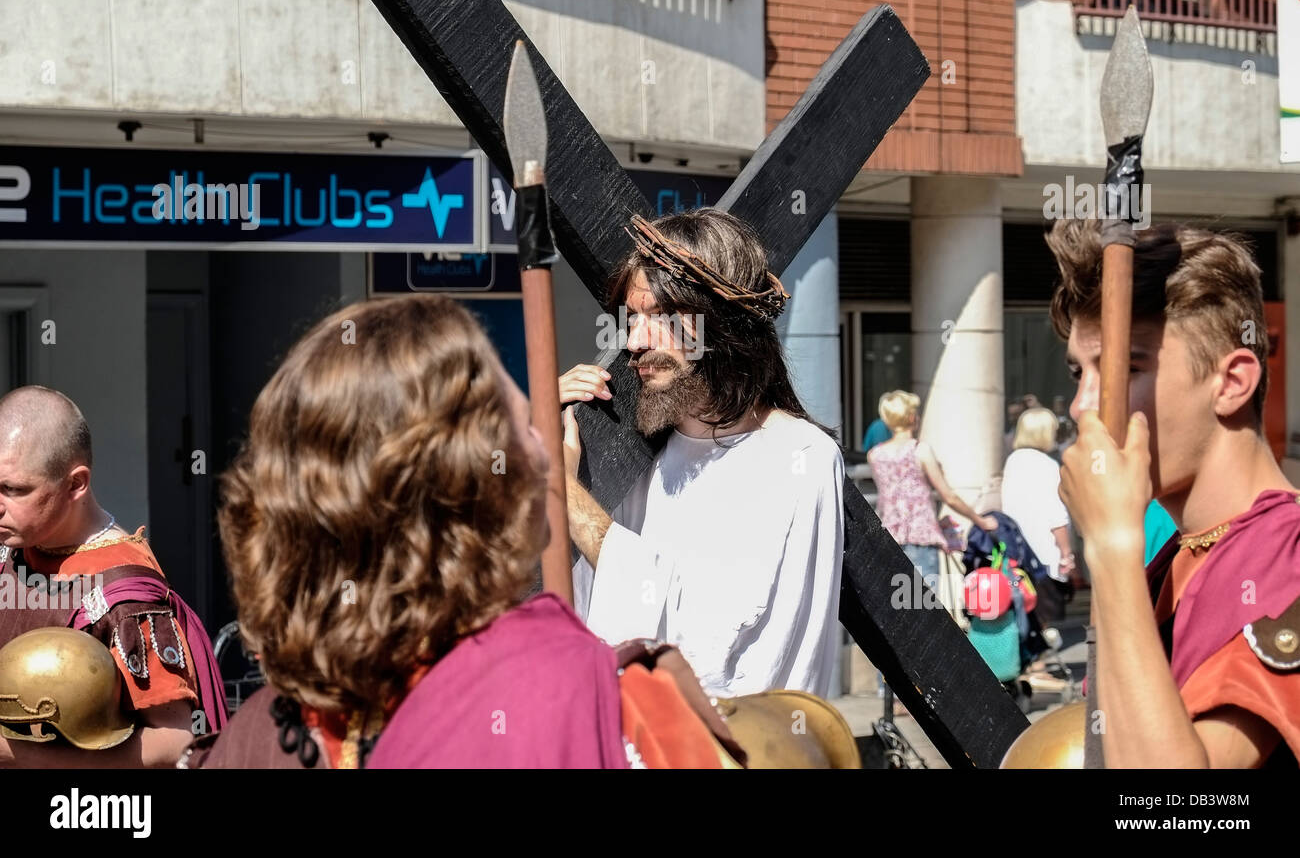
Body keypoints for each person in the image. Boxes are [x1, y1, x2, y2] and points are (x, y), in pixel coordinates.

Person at [185, 294, 631, 769]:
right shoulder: (606, 706)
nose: (545, 450)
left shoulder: (251, 739)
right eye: (522, 424)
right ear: (456, 489)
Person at [562, 208, 844, 698]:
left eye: (662, 318)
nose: (634, 341)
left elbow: (703, 649)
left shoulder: (798, 459)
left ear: (722, 324)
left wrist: (562, 491)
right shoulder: (637, 459)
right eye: (633, 319)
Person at [1050, 219, 1300, 767]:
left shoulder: (1288, 555)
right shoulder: (1176, 556)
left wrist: (1113, 546)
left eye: (1124, 368)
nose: (1081, 406)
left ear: (1232, 382)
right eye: (1078, 373)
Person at [0, 386, 223, 768]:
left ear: (76, 484)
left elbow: (172, 743)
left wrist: (13, 753)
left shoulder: (125, 596)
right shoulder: (16, 546)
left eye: (14, 490)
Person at [867, 390, 998, 585]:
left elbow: (892, 497)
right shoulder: (920, 450)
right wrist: (980, 520)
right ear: (912, 417)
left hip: (889, 538)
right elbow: (949, 496)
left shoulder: (875, 455)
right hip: (922, 540)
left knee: (897, 607)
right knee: (924, 607)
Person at [1000, 406, 1074, 624]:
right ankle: (1040, 659)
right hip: (1045, 555)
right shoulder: (1048, 465)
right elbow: (1057, 514)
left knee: (1025, 621)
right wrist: (1067, 552)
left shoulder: (1013, 461)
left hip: (1018, 552)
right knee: (1044, 624)